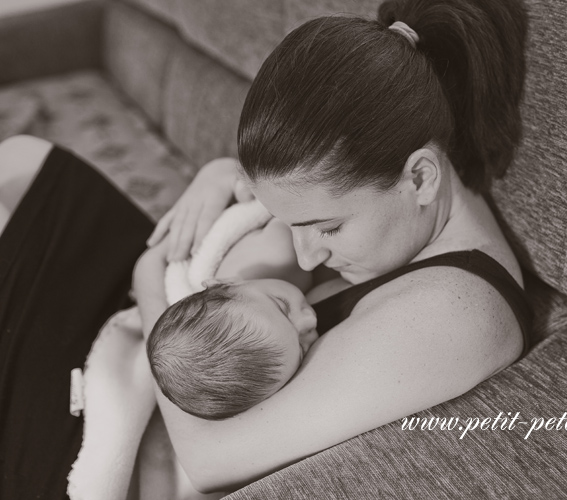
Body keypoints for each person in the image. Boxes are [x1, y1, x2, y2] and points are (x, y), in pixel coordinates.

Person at [0, 0, 531, 496]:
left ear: (420, 178)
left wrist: (147, 279)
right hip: (151, 331)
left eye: (326, 229)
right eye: (295, 225)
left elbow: (210, 459)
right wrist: (219, 175)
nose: (306, 256)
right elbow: (297, 196)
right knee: (23, 160)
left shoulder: (456, 317)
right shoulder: (409, 190)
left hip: (91, 429)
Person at [148, 278, 319, 421]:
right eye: (301, 347)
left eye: (283, 306)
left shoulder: (271, 252)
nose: (310, 320)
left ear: (225, 282)